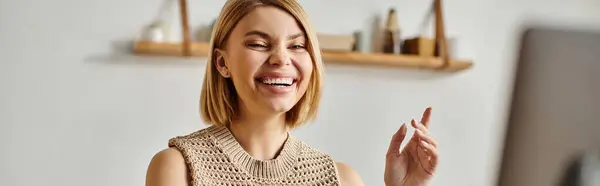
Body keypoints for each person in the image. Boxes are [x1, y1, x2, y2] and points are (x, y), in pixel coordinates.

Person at [145, 0, 439, 185]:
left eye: (297, 46)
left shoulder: (341, 179)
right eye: (259, 44)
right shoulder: (179, 167)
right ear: (222, 63)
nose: (281, 59)